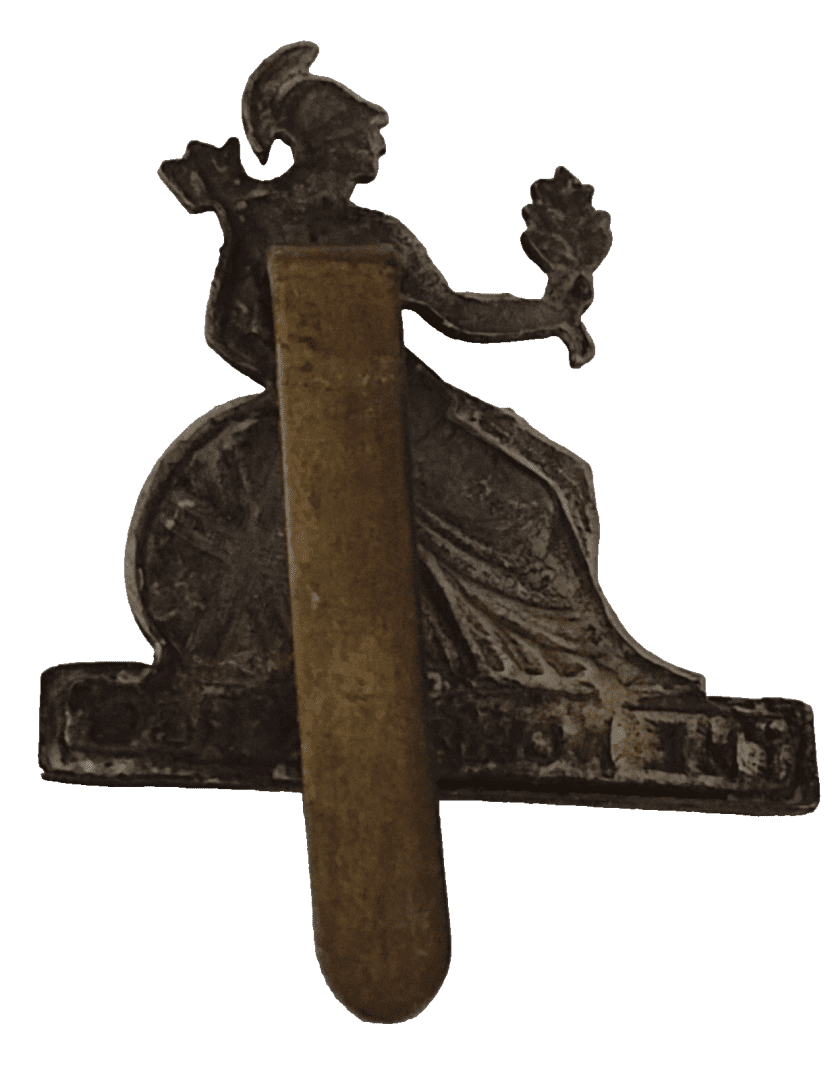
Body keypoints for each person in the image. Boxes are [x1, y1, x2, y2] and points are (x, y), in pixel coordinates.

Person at [156, 42, 701, 719]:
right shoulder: (265, 221)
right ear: (332, 144)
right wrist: (308, 393)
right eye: (367, 136)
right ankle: (573, 667)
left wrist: (551, 313)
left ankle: (578, 658)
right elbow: (231, 330)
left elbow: (455, 312)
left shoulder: (380, 232)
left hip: (413, 403)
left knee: (565, 476)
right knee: (530, 508)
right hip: (372, 424)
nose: (378, 149)